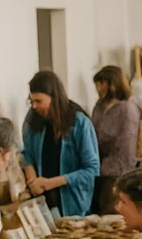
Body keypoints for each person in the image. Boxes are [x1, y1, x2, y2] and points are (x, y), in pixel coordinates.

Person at [23, 70, 100, 216]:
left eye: (38, 101)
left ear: (53, 97)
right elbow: (27, 155)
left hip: (73, 204)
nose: (34, 106)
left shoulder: (80, 123)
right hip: (43, 204)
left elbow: (91, 169)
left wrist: (51, 183)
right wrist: (33, 180)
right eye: (31, 101)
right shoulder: (33, 120)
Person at [90, 66, 140, 215]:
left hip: (117, 173)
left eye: (101, 84)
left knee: (111, 215)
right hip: (97, 169)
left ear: (112, 83)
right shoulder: (99, 105)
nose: (98, 88)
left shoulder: (127, 109)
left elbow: (127, 147)